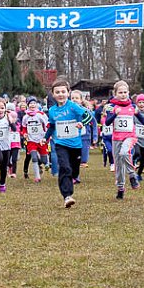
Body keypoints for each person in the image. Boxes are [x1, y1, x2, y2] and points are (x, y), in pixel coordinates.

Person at [45, 78, 93, 208]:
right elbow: (52, 126)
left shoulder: (73, 106)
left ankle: (73, 178)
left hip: (76, 145)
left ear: (68, 93)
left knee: (74, 170)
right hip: (60, 143)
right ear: (53, 94)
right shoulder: (52, 111)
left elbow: (89, 117)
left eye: (63, 91)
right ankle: (67, 196)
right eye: (57, 92)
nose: (60, 94)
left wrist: (81, 123)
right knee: (64, 168)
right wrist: (46, 138)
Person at [104, 81, 144, 199]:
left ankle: (132, 175)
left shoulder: (132, 107)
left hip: (130, 137)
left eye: (125, 92)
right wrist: (115, 114)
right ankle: (120, 188)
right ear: (115, 93)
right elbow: (107, 122)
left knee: (125, 152)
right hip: (116, 138)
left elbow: (142, 118)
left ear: (128, 93)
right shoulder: (111, 107)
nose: (123, 95)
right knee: (119, 165)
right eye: (120, 92)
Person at [20, 96, 49, 182]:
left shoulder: (41, 114)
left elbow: (47, 125)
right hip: (31, 140)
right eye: (30, 103)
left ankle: (46, 163)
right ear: (27, 105)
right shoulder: (25, 117)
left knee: (43, 160)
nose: (32, 105)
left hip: (41, 140)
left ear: (36, 104)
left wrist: (47, 136)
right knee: (34, 157)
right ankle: (37, 177)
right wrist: (24, 133)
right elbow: (24, 127)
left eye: (34, 103)